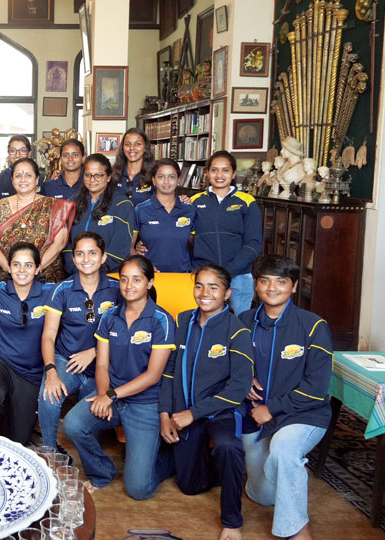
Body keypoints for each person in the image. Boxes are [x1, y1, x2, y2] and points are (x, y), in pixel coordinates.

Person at [63, 254, 175, 498]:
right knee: (73, 424)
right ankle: (102, 472)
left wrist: (111, 395)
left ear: (149, 283)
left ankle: (169, 460)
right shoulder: (109, 316)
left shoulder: (161, 320)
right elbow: (102, 364)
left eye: (136, 279)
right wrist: (104, 395)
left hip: (145, 404)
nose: (128, 285)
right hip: (112, 394)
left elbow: (153, 375)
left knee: (138, 490)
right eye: (124, 279)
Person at [238, 255, 333, 540]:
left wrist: (272, 407)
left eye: (281, 282)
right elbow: (229, 364)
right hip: (256, 417)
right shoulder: (244, 321)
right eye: (265, 281)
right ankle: (284, 477)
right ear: (256, 285)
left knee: (283, 450)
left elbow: (316, 388)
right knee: (264, 497)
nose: (272, 288)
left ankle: (297, 529)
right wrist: (244, 380)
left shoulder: (313, 326)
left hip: (303, 414)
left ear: (293, 286)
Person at [159, 263, 254, 540]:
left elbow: (239, 387)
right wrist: (165, 413)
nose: (205, 293)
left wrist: (193, 413)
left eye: (214, 287)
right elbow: (169, 370)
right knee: (189, 485)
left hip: (220, 412)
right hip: (184, 412)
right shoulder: (183, 321)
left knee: (228, 447)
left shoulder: (237, 331)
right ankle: (217, 468)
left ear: (227, 293)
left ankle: (232, 521)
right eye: (199, 285)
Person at [38, 232, 121, 451]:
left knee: (89, 414)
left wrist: (94, 351)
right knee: (49, 395)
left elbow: (125, 334)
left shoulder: (118, 289)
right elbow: (48, 335)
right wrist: (51, 372)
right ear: (73, 259)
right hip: (67, 359)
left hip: (104, 364)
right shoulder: (62, 290)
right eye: (80, 254)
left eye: (92, 253)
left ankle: (90, 458)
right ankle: (49, 452)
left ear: (103, 257)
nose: (86, 259)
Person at [0, 243, 55, 445]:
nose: (22, 270)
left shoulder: (52, 293)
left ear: (37, 268)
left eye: (28, 265)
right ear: (8, 267)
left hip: (30, 372)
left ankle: (5, 419)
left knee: (18, 439)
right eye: (16, 264)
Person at [190, 150, 262, 314]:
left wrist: (227, 272)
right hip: (205, 277)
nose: (219, 175)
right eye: (214, 170)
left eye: (225, 170)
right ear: (207, 173)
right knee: (204, 322)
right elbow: (184, 237)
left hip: (239, 277)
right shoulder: (195, 201)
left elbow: (254, 244)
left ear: (233, 173)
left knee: (239, 323)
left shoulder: (247, 202)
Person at [0, 157, 74, 283]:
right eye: (18, 176)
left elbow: (59, 243)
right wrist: (9, 268)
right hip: (7, 276)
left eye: (28, 175)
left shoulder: (51, 205)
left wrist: (37, 269)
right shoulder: (2, 204)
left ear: (37, 179)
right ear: (12, 180)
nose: (23, 180)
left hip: (45, 276)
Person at [63, 154, 135, 275]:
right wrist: (75, 267)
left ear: (108, 177)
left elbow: (120, 248)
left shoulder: (122, 204)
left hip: (109, 275)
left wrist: (96, 272)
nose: (92, 180)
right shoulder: (72, 202)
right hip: (76, 274)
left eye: (98, 175)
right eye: (88, 175)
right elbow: (65, 242)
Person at [133, 159, 196, 272]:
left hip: (182, 275)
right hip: (151, 275)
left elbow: (196, 244)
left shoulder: (190, 210)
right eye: (161, 177)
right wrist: (141, 265)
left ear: (179, 180)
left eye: (172, 177)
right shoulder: (140, 210)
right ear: (153, 180)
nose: (166, 181)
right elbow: (129, 247)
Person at [111, 127, 154, 205]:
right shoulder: (112, 174)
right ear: (122, 148)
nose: (132, 148)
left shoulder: (154, 174)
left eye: (138, 144)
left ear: (145, 147)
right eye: (127, 144)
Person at [0, 135, 33, 208]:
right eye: (13, 151)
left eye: (22, 151)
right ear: (8, 153)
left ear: (29, 153)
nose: (17, 155)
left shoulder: (41, 180)